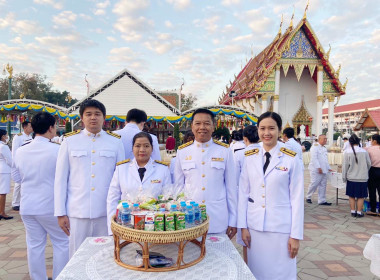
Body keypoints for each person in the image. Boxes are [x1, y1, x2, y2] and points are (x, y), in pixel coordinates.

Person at [54, 99, 125, 258]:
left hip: (106, 212)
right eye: (89, 114)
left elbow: (121, 179)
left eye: (97, 114)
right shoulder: (69, 141)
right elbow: (60, 179)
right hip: (77, 212)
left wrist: (120, 210)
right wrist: (60, 213)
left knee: (106, 256)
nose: (93, 117)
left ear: (104, 118)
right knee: (77, 256)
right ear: (82, 117)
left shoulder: (115, 142)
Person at [238, 111, 304, 280]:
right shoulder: (249, 156)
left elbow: (297, 199)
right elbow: (243, 193)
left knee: (281, 273)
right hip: (254, 228)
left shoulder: (291, 158)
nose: (266, 133)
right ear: (258, 130)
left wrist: (295, 235)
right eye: (262, 128)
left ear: (280, 130)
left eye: (271, 128)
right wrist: (242, 227)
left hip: (281, 228)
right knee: (256, 272)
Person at [12, 112, 69, 279]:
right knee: (62, 243)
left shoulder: (21, 150)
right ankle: (60, 276)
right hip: (51, 206)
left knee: (34, 246)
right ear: (51, 128)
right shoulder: (58, 150)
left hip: (28, 205)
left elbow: (16, 178)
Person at [174, 108, 237, 238]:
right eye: (198, 123)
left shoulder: (225, 151)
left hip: (217, 218)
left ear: (213, 127)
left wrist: (233, 219)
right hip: (190, 218)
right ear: (192, 127)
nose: (202, 127)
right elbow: (178, 187)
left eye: (207, 123)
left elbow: (231, 188)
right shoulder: (182, 152)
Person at [107, 132, 171, 233]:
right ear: (132, 148)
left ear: (152, 148)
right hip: (125, 226)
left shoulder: (162, 170)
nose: (142, 150)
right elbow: (112, 199)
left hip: (154, 228)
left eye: (146, 146)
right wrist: (113, 229)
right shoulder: (121, 169)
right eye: (138, 146)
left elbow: (167, 200)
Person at [234, 125, 260, 264]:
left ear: (245, 139)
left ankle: (247, 265)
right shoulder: (264, 151)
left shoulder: (239, 153)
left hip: (243, 197)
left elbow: (235, 179)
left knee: (246, 240)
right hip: (259, 198)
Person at [342, 134, 371, 218]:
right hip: (362, 177)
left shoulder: (347, 152)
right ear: (359, 142)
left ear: (350, 143)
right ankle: (359, 212)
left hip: (351, 177)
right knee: (361, 196)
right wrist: (364, 171)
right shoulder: (364, 152)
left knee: (351, 195)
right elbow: (369, 164)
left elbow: (345, 166)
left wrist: (344, 177)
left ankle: (352, 211)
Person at [11, 120, 33, 211]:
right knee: (18, 184)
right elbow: (15, 151)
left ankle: (22, 201)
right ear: (25, 127)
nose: (32, 128)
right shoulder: (18, 137)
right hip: (20, 162)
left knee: (26, 183)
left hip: (28, 163)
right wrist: (16, 163)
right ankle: (15, 203)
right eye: (30, 126)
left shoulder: (31, 137)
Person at [306, 134, 333, 205]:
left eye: (326, 139)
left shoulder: (324, 148)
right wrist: (318, 167)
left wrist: (328, 168)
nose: (325, 140)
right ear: (319, 139)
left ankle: (322, 200)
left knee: (323, 185)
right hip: (315, 169)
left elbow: (325, 160)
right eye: (324, 139)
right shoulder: (315, 147)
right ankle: (308, 196)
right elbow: (314, 158)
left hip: (324, 169)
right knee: (314, 183)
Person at [365, 134, 380, 216]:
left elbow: (367, 161)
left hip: (372, 170)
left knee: (372, 190)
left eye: (371, 140)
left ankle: (373, 209)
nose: (370, 141)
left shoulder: (369, 149)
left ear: (375, 141)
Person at [0, 129, 13, 220]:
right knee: (3, 192)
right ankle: (2, 212)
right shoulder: (3, 146)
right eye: (6, 135)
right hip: (4, 170)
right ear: (2, 136)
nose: (6, 137)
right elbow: (9, 160)